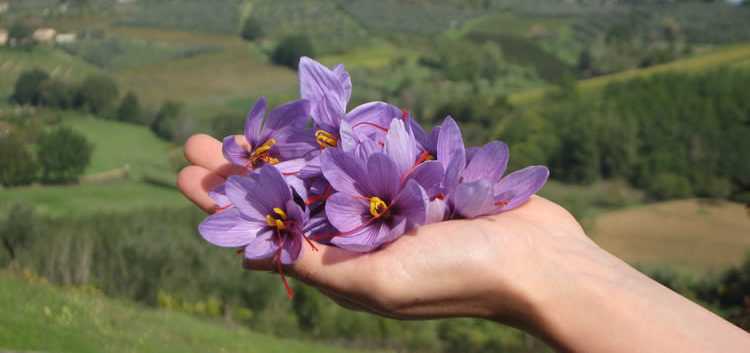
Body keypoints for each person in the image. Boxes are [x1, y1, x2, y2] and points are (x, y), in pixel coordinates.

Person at [178, 133, 750, 352]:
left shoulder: (403, 200)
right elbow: (368, 195)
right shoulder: (356, 197)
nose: (379, 208)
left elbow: (393, 201)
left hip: (390, 205)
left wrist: (548, 267)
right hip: (324, 206)